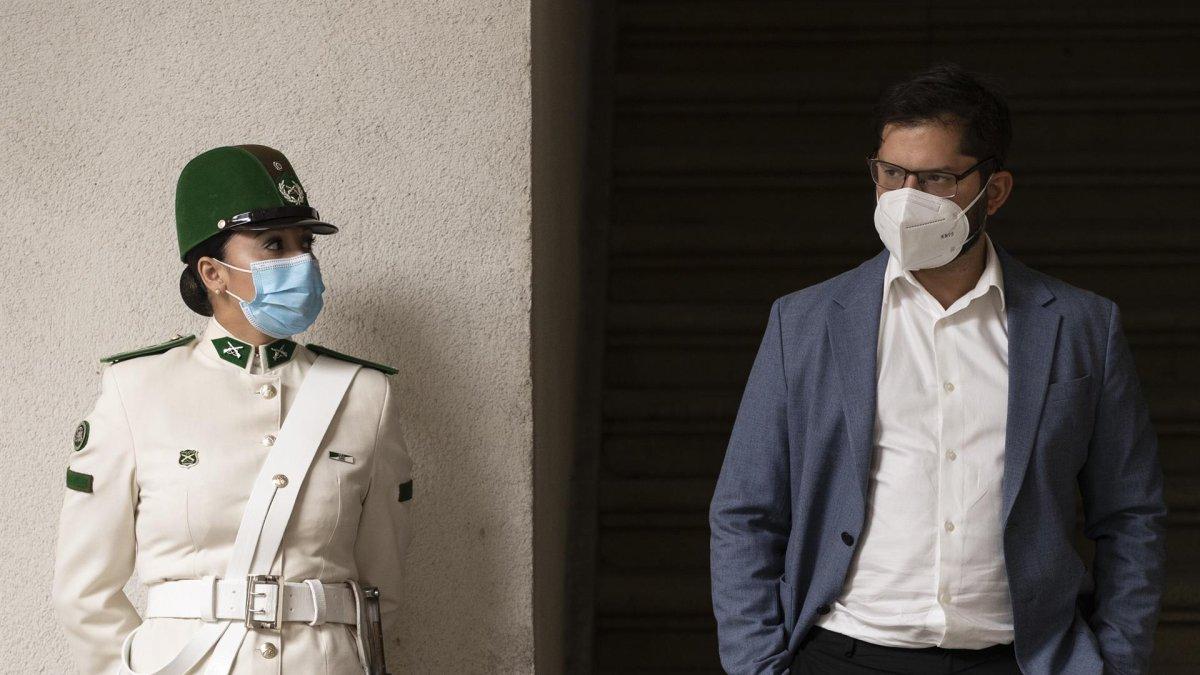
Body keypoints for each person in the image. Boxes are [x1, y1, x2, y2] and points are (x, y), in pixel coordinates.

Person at [709, 63, 1167, 674]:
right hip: (844, 654)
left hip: (1023, 658)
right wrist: (757, 665)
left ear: (994, 191)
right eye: (891, 173)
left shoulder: (1083, 326)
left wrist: (1115, 660)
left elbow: (1131, 515)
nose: (907, 197)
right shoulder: (806, 322)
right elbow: (746, 510)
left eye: (937, 178)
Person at [52, 144, 414, 674]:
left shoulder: (365, 395)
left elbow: (383, 589)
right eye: (273, 243)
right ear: (212, 272)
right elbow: (83, 592)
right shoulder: (136, 390)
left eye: (305, 243)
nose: (301, 261)